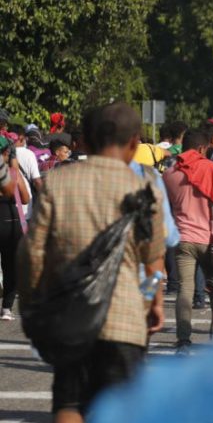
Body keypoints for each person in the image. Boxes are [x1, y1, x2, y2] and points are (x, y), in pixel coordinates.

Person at [18, 103, 166, 421]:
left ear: (81, 141)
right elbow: (154, 262)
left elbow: (31, 254)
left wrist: (32, 305)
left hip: (72, 316)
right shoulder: (146, 188)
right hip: (125, 320)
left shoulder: (57, 183)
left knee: (69, 403)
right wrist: (154, 302)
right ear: (135, 144)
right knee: (121, 410)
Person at [162, 130, 213, 354]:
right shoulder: (212, 169)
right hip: (211, 241)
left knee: (185, 289)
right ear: (203, 148)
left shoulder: (170, 173)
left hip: (182, 238)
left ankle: (183, 340)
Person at [0, 136, 30, 320]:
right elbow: (25, 199)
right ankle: (7, 309)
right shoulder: (11, 172)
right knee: (10, 266)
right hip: (10, 222)